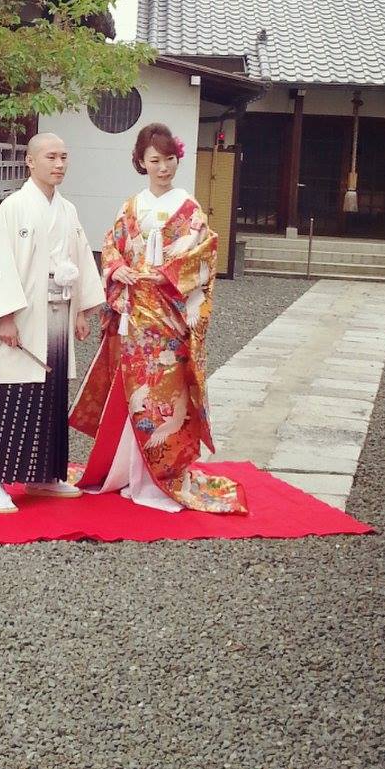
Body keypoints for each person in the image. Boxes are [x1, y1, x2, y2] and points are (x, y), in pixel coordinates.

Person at [70, 121, 247, 514]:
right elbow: (111, 245)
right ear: (141, 162)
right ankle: (126, 473)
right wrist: (116, 271)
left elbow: (202, 256)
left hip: (170, 316)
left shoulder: (190, 208)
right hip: (135, 315)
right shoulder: (131, 206)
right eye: (155, 160)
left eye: (169, 159)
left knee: (166, 392)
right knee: (135, 389)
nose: (163, 167)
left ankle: (163, 475)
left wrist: (164, 274)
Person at [0, 133, 105, 513]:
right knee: (13, 395)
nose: (59, 164)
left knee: (51, 395)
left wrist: (80, 311)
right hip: (24, 315)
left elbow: (80, 260)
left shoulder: (68, 211)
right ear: (30, 162)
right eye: (51, 157)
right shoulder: (14, 207)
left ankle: (43, 476)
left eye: (64, 157)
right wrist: (5, 317)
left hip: (57, 315)